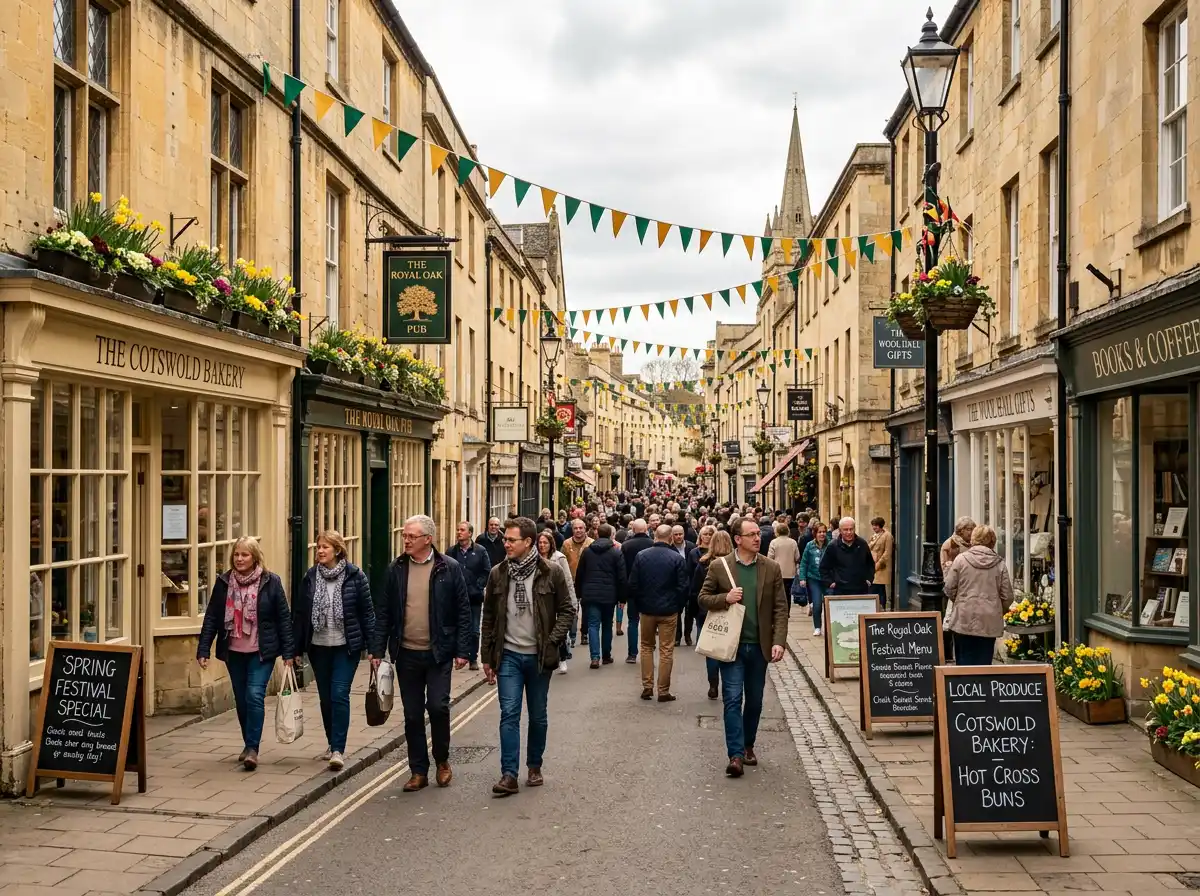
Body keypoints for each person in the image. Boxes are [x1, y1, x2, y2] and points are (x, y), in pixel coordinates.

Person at [370, 515, 472, 793]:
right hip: (407, 653)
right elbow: (384, 613)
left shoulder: (448, 568)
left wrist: (464, 650)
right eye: (404, 535)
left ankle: (442, 761)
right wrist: (377, 649)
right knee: (413, 715)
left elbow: (463, 611)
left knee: (438, 707)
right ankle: (418, 770)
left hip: (439, 653)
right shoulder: (396, 569)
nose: (406, 540)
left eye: (411, 536)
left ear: (428, 539)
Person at [480, 517, 574, 796]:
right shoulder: (498, 573)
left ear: (528, 542)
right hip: (508, 654)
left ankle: (534, 766)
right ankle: (509, 774)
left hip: (538, 657)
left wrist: (552, 641)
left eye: (511, 540)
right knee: (508, 714)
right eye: (505, 539)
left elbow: (568, 610)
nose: (505, 543)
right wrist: (486, 656)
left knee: (538, 715)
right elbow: (489, 617)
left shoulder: (551, 572)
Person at [698, 519, 788, 777]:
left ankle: (749, 744)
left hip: (759, 647)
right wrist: (724, 599)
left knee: (756, 702)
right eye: (752, 535)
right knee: (733, 699)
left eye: (759, 534)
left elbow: (781, 608)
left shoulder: (770, 568)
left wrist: (779, 641)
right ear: (738, 539)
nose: (758, 538)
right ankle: (735, 755)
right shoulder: (719, 566)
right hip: (731, 647)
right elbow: (702, 599)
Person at [197, 537, 294, 771]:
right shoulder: (223, 583)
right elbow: (212, 617)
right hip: (234, 651)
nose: (239, 559)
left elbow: (284, 618)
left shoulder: (271, 582)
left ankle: (253, 749)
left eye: (245, 555)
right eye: (236, 555)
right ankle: (248, 743)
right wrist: (203, 649)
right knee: (241, 700)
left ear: (255, 557)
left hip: (262, 652)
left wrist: (289, 653)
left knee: (254, 695)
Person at [293, 530, 374, 772]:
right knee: (326, 699)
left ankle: (338, 749)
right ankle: (331, 742)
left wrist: (374, 649)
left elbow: (367, 614)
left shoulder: (355, 576)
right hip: (318, 647)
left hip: (345, 647)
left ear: (337, 550)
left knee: (339, 694)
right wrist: (295, 648)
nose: (319, 551)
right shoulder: (310, 577)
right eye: (318, 547)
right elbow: (300, 615)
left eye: (325, 547)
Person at [629, 525, 689, 701]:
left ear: (654, 536)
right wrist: (678, 605)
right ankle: (663, 690)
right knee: (666, 650)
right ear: (670, 538)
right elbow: (683, 586)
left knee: (646, 647)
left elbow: (633, 583)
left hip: (647, 609)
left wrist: (639, 602)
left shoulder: (642, 556)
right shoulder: (677, 558)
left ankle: (647, 686)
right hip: (669, 610)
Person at [943, 525, 1014, 665]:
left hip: (963, 619)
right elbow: (1008, 596)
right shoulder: (999, 564)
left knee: (963, 663)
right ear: (992, 542)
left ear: (973, 540)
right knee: (984, 665)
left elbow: (949, 587)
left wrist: (960, 601)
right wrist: (997, 609)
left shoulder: (961, 560)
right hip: (989, 621)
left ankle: (964, 686)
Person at [574, 523, 627, 668]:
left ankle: (595, 657)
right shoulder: (616, 553)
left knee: (593, 625)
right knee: (607, 625)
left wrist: (579, 593)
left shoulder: (587, 551)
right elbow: (622, 577)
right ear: (611, 535)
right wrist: (623, 597)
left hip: (590, 593)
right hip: (609, 594)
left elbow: (580, 573)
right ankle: (606, 655)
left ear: (596, 534)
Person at [692, 529, 733, 699]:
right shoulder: (735, 564)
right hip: (730, 612)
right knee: (729, 650)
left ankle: (713, 684)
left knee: (711, 651)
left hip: (707, 612)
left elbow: (696, 590)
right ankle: (729, 685)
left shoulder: (703, 563)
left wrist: (695, 612)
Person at [447, 521, 492, 671]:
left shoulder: (480, 551)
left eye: (462, 530)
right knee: (457, 627)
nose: (459, 532)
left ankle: (473, 658)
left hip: (474, 598)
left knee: (474, 629)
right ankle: (459, 655)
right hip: (455, 598)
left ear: (470, 533)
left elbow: (486, 571)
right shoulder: (451, 552)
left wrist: (477, 586)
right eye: (458, 529)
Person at [536, 529, 578, 675]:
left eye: (545, 543)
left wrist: (572, 602)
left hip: (557, 599)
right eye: (540, 543)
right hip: (542, 599)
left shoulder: (559, 558)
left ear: (551, 544)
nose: (542, 545)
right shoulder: (533, 559)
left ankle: (562, 658)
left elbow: (567, 580)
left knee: (558, 632)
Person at [619, 519, 655, 663]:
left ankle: (632, 653)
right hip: (650, 589)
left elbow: (622, 570)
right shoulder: (653, 544)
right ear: (646, 529)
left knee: (633, 621)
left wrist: (622, 593)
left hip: (632, 588)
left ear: (633, 530)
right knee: (650, 621)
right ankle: (649, 648)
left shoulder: (626, 546)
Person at [819, 517, 876, 601]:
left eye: (851, 529)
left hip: (860, 590)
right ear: (840, 530)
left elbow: (870, 564)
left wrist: (869, 579)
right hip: (840, 590)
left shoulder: (862, 544)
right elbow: (823, 567)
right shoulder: (833, 546)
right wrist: (830, 582)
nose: (849, 532)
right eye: (845, 530)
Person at [560, 519, 593, 645]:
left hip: (586, 581)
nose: (578, 530)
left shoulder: (591, 543)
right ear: (572, 530)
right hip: (571, 581)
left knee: (586, 609)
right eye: (576, 528)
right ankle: (572, 635)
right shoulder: (566, 544)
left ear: (585, 529)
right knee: (572, 608)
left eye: (581, 528)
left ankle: (584, 633)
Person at [684, 525, 716, 646]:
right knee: (698, 618)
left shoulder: (716, 552)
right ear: (700, 536)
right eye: (705, 534)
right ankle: (700, 642)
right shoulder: (693, 553)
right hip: (697, 590)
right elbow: (689, 572)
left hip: (713, 591)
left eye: (710, 534)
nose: (707, 537)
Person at [796, 522, 829, 635]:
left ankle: (831, 626)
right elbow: (804, 562)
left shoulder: (830, 545)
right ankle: (818, 627)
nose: (822, 534)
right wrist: (802, 578)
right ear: (815, 533)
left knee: (830, 604)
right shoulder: (810, 545)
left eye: (824, 532)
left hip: (828, 580)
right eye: (819, 532)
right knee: (817, 603)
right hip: (813, 578)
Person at [670, 524, 697, 646]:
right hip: (676, 585)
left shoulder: (691, 547)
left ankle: (687, 635)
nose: (678, 536)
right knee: (677, 612)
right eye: (675, 534)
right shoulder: (670, 548)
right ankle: (677, 636)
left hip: (690, 583)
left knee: (689, 612)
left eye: (680, 534)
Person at [767, 521, 800, 599]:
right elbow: (797, 557)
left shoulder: (774, 542)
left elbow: (769, 558)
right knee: (788, 594)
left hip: (777, 572)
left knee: (778, 594)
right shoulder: (793, 542)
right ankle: (787, 609)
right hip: (790, 573)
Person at [869, 517, 894, 609]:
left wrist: (878, 564)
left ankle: (882, 606)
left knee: (879, 587)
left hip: (881, 566)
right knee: (874, 586)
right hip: (873, 564)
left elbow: (887, 552)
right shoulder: (874, 535)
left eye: (875, 526)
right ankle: (875, 607)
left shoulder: (887, 536)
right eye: (873, 526)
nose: (874, 528)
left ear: (880, 525)